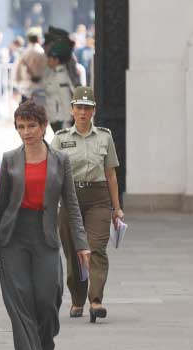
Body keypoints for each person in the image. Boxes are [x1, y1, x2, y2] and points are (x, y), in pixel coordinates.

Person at [0, 100, 90, 350]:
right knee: (20, 301)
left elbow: (71, 205)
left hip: (46, 235)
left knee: (48, 299)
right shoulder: (10, 159)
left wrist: (82, 243)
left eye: (31, 126)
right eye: (21, 127)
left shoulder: (60, 160)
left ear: (44, 126)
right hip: (13, 236)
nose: (26, 132)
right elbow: (0, 206)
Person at [51, 86, 123, 323]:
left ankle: (96, 300)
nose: (83, 112)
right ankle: (78, 298)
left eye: (87, 108)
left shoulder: (104, 136)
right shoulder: (61, 139)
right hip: (70, 199)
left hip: (98, 198)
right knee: (73, 253)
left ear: (94, 111)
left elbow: (111, 173)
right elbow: (51, 175)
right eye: (79, 107)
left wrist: (117, 207)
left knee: (96, 248)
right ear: (72, 110)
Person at [44, 41, 75, 132]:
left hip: (61, 119)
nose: (48, 61)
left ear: (56, 60)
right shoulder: (53, 73)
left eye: (50, 58)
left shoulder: (61, 76)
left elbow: (66, 98)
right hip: (55, 117)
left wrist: (67, 122)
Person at [16, 27, 47, 104]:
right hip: (41, 90)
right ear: (39, 39)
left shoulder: (23, 53)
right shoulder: (43, 54)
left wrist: (20, 84)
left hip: (26, 90)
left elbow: (17, 74)